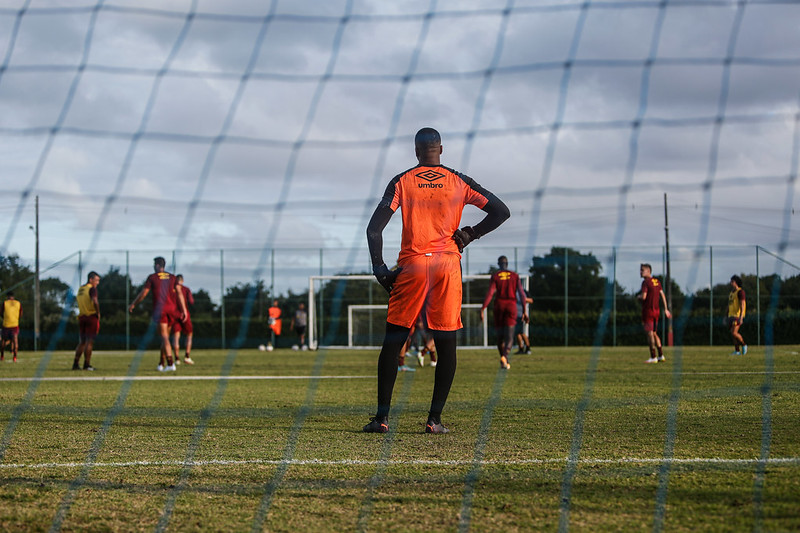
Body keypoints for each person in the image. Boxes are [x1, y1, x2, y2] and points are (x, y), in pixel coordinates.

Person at [363, 127, 510, 434]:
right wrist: (470, 234)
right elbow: (501, 211)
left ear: (417, 152)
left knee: (394, 342)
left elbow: (373, 230)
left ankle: (382, 418)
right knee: (446, 344)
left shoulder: (401, 181)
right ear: (440, 150)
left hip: (413, 266)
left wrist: (381, 270)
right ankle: (435, 420)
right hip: (447, 266)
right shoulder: (459, 181)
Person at [128, 257, 187, 371]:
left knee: (164, 337)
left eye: (154, 264)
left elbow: (144, 292)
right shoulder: (172, 277)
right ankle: (161, 363)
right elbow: (179, 293)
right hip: (172, 310)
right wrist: (184, 310)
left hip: (161, 310)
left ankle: (170, 364)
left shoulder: (152, 277)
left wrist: (134, 304)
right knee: (166, 338)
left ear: (157, 265)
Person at [480, 256, 528, 370]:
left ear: (498, 264)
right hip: (511, 305)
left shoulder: (496, 276)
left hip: (499, 306)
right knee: (510, 336)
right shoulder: (515, 276)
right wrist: (525, 310)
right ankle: (505, 357)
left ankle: (503, 357)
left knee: (500, 337)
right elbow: (521, 294)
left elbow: (490, 292)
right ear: (507, 263)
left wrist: (483, 308)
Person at [638, 263, 671, 363]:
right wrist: (665, 309)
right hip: (657, 311)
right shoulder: (657, 281)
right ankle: (661, 355)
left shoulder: (646, 282)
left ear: (648, 271)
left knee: (650, 334)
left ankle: (653, 357)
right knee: (655, 333)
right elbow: (662, 295)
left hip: (648, 311)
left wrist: (638, 297)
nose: (640, 272)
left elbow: (644, 297)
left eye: (642, 270)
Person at [73, 271, 100, 371]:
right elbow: (95, 301)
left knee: (82, 342)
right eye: (96, 280)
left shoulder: (81, 289)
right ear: (91, 279)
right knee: (90, 342)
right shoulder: (92, 289)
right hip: (91, 317)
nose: (97, 283)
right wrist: (98, 313)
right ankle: (87, 365)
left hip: (82, 317)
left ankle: (75, 364)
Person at [171, 274, 195, 365]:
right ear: (182, 281)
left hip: (174, 314)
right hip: (185, 314)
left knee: (176, 336)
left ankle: (176, 359)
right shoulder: (185, 289)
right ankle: (187, 356)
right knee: (189, 334)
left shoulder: (171, 290)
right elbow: (191, 301)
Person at [727, 275, 748, 356]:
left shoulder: (740, 292)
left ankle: (744, 344)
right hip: (731, 315)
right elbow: (729, 304)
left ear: (736, 282)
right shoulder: (731, 293)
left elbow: (742, 304)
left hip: (737, 315)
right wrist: (726, 315)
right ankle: (737, 351)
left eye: (732, 281)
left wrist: (741, 316)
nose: (731, 283)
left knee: (734, 333)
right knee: (732, 334)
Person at [1, 291, 22, 362]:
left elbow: (1, 313)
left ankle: (2, 356)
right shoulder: (18, 303)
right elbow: (20, 314)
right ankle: (14, 358)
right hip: (15, 325)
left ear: (7, 297)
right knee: (15, 342)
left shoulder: (5, 303)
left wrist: (5, 318)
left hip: (6, 325)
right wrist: (16, 319)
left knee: (3, 341)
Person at [515, 289, 533, 355]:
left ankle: (528, 348)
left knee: (521, 332)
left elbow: (531, 300)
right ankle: (521, 348)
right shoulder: (511, 291)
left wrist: (524, 299)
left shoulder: (523, 292)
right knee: (517, 332)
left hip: (520, 315)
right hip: (513, 314)